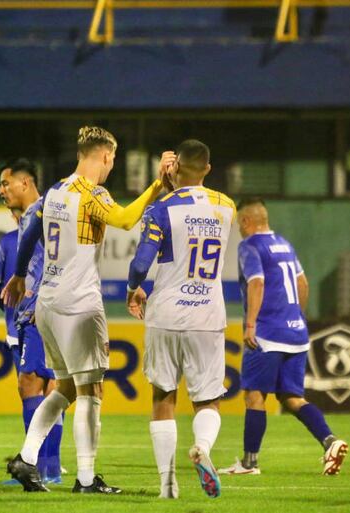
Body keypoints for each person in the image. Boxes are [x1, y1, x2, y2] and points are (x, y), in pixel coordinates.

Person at [2, 126, 169, 494]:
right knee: (91, 390)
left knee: (64, 388)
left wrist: (18, 274)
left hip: (47, 302)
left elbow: (30, 231)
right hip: (79, 305)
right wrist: (156, 186)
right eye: (113, 160)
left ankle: (26, 460)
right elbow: (126, 221)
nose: (111, 166)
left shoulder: (56, 191)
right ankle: (86, 478)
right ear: (106, 156)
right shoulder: (92, 193)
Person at [126, 139, 234, 499]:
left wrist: (133, 288)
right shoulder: (227, 206)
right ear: (207, 168)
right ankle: (202, 446)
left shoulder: (161, 208)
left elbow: (141, 264)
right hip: (207, 315)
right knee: (207, 401)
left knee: (163, 398)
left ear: (173, 168)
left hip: (166, 315)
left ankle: (167, 485)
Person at [216, 197, 348, 478]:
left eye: (240, 223)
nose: (239, 229)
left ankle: (249, 464)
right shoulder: (284, 244)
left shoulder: (250, 245)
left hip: (267, 332)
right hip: (296, 332)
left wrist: (250, 324)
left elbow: (257, 282)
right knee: (292, 398)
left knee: (254, 395)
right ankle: (330, 442)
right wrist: (296, 317)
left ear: (246, 221)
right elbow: (303, 283)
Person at [0, 158, 64, 483]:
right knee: (51, 389)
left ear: (25, 182)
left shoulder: (45, 212)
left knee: (32, 384)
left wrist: (43, 300)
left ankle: (38, 467)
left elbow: (61, 260)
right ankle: (49, 468)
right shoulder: (28, 220)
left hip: (41, 314)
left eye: (6, 184)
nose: (1, 190)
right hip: (38, 315)